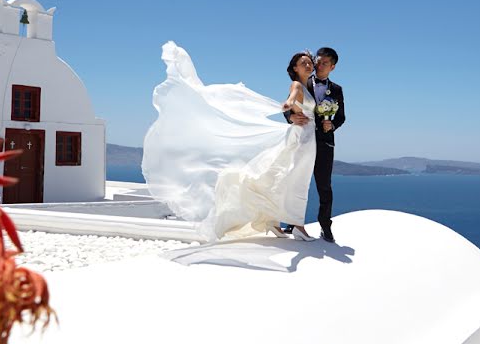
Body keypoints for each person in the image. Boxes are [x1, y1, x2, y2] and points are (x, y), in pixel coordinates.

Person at [141, 42, 317, 242]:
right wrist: (287, 107)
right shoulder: (296, 85)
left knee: (281, 177)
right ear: (295, 68)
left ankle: (273, 219)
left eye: (310, 62)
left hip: (309, 137)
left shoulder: (310, 88)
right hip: (300, 138)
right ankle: (298, 227)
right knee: (297, 182)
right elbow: (291, 100)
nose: (308, 65)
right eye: (303, 63)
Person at [289, 47, 345, 242]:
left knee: (324, 186)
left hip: (324, 144)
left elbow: (341, 117)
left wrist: (332, 125)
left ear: (333, 67)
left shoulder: (337, 90)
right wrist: (290, 117)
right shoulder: (304, 81)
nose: (319, 66)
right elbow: (291, 102)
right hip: (303, 141)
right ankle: (292, 222)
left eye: (324, 63)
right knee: (296, 181)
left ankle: (325, 226)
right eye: (318, 61)